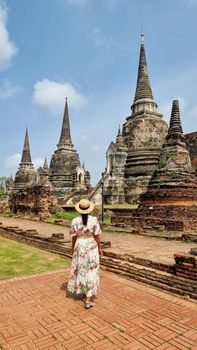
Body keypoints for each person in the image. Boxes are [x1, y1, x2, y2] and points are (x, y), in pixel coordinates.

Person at [67, 199, 103, 309]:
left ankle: (83, 292)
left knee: (81, 269)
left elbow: (73, 237)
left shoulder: (75, 220)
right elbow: (97, 235)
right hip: (91, 245)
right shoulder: (94, 219)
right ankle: (88, 298)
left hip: (80, 245)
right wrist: (100, 248)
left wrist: (72, 248)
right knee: (91, 270)